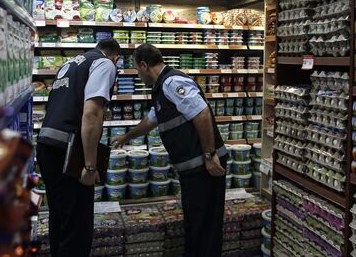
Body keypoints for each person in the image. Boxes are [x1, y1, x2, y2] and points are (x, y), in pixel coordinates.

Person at [112, 43, 227, 257]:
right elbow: (150, 121)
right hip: (193, 168)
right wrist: (126, 137)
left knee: (205, 225)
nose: (138, 75)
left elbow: (201, 113)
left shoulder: (172, 82)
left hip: (205, 166)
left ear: (144, 65)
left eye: (137, 69)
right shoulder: (161, 89)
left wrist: (210, 156)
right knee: (195, 221)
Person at [36, 39, 121, 257]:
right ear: (116, 58)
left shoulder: (72, 63)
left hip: (47, 145)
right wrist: (90, 166)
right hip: (69, 152)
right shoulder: (105, 64)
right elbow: (92, 113)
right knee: (77, 227)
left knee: (60, 218)